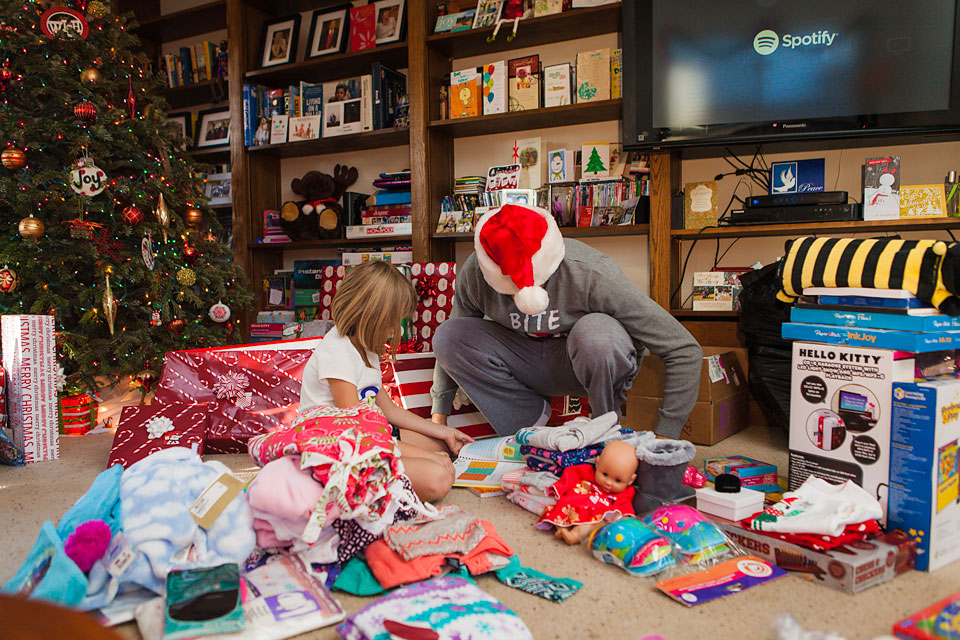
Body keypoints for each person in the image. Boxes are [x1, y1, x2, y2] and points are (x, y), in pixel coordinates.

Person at [430, 203, 702, 439]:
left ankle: (604, 426)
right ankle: (526, 426)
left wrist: (667, 433)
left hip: (582, 364)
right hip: (525, 360)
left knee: (597, 332)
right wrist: (438, 420)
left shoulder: (591, 270)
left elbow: (683, 348)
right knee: (448, 334)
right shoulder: (477, 272)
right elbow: (453, 346)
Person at [300, 260, 473, 502]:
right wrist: (425, 458)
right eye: (392, 322)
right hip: (341, 445)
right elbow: (354, 431)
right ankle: (360, 487)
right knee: (438, 478)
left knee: (443, 448)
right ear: (369, 314)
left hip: (371, 433)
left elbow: (388, 409)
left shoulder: (364, 347)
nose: (395, 331)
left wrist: (443, 431)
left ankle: (393, 471)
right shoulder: (337, 353)